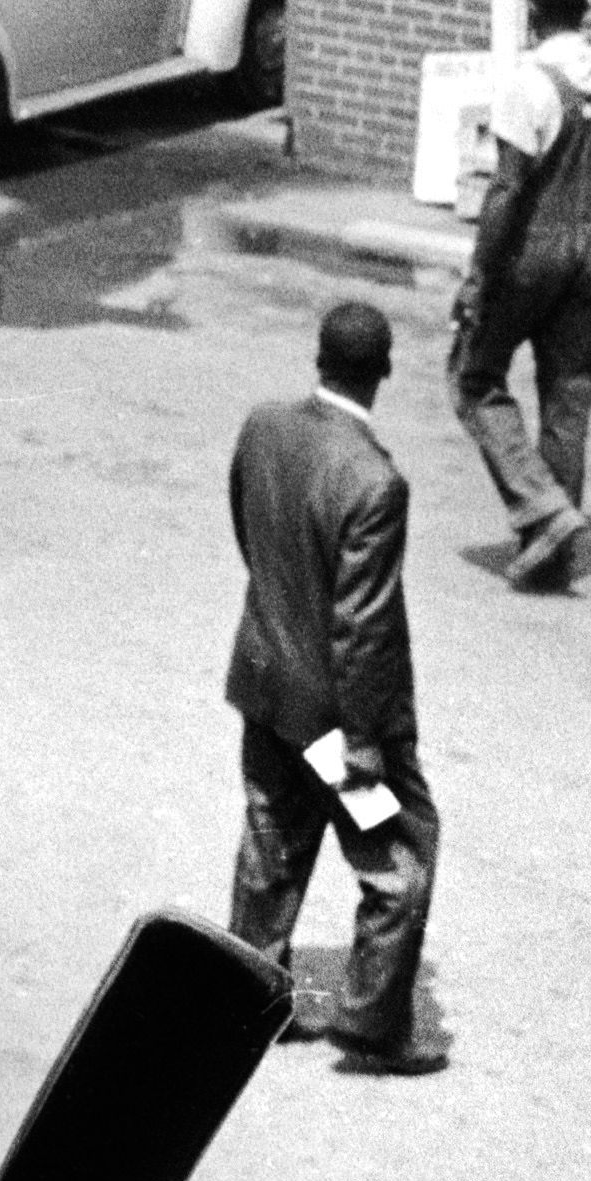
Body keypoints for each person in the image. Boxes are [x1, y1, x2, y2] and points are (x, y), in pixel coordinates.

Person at [226, 302, 446, 1075]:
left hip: (264, 681)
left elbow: (249, 535)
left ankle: (249, 1001)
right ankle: (372, 1022)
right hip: (332, 721)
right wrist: (362, 743)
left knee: (271, 839)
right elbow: (365, 624)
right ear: (382, 370)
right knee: (400, 849)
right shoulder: (374, 481)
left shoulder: (262, 427)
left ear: (318, 356)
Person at [460, 0, 591, 592]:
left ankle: (541, 513)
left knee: (473, 374)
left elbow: (508, 189)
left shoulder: (528, 81)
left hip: (531, 256)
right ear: (584, 6)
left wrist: (479, 277)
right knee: (568, 404)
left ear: (534, 8)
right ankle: (553, 553)